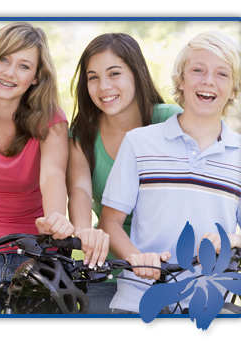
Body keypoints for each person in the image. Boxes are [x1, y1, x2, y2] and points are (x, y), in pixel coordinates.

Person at [98, 30, 241, 314]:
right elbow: (109, 223)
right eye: (197, 70)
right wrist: (136, 258)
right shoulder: (139, 142)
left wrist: (234, 239)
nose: (208, 81)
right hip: (137, 305)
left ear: (235, 89)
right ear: (181, 79)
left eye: (222, 74)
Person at [67, 32, 183, 314]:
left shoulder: (170, 119)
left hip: (170, 265)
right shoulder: (82, 134)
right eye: (92, 77)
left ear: (138, 72)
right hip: (111, 270)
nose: (103, 86)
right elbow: (79, 190)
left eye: (114, 73)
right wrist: (83, 230)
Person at [0, 22, 74, 314]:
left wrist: (54, 221)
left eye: (23, 65)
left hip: (35, 257)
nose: (9, 72)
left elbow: (53, 174)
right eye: (3, 58)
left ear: (36, 78)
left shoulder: (50, 119)